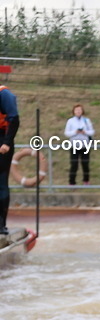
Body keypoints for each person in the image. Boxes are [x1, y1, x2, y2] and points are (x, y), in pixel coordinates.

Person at [0, 81, 19, 236]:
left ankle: (1, 224)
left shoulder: (4, 94)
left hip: (2, 140)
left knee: (1, 181)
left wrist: (6, 142)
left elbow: (14, 119)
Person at [64, 103, 94, 186]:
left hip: (85, 146)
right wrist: (75, 132)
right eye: (76, 110)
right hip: (74, 146)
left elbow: (92, 131)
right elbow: (66, 133)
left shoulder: (86, 120)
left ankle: (86, 181)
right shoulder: (70, 121)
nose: (78, 112)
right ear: (73, 111)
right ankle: (72, 182)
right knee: (74, 164)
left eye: (80, 110)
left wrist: (85, 132)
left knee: (85, 164)